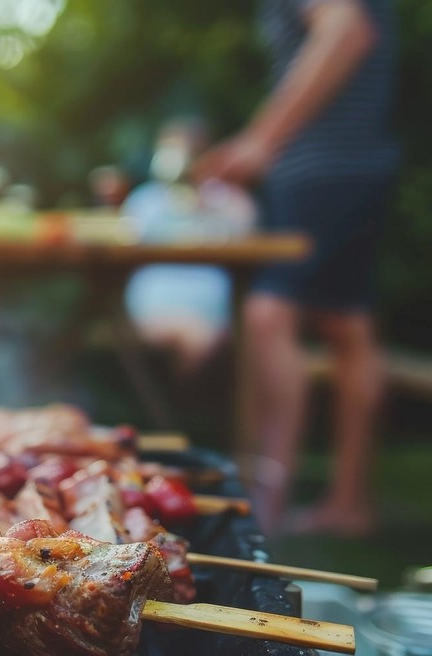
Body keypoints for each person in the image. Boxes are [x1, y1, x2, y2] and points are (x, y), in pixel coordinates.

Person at [193, 0, 398, 536]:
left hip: (322, 165)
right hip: (359, 158)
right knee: (346, 326)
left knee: (268, 316)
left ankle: (268, 503)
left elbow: (347, 29)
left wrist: (263, 139)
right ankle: (348, 504)